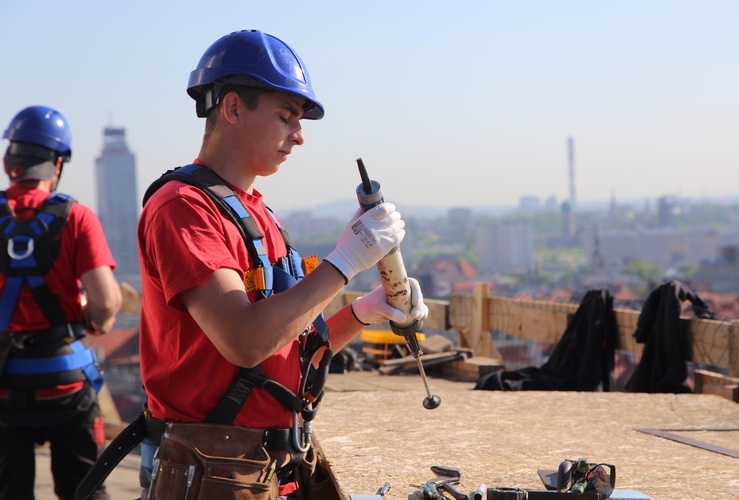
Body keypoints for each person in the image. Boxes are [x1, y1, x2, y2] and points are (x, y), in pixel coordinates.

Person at [135, 29, 429, 499]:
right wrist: (345, 262)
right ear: (232, 108)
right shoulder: (183, 208)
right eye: (286, 116)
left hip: (267, 463)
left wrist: (361, 313)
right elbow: (245, 341)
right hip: (214, 467)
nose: (300, 136)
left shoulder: (256, 213)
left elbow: (284, 338)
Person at [0, 105, 122, 500]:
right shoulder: (76, 216)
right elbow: (105, 301)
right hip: (65, 383)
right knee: (83, 491)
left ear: (8, 163)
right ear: (57, 164)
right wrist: (93, 322)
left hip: (3, 386)